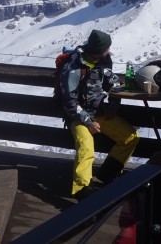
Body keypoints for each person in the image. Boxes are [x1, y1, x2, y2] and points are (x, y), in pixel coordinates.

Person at [60, 29, 139, 200]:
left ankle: (108, 173)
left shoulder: (103, 61)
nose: (109, 51)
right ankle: (81, 189)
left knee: (130, 137)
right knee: (86, 145)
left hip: (100, 113)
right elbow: (69, 102)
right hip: (78, 118)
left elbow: (113, 82)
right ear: (97, 50)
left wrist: (113, 106)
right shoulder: (74, 67)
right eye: (106, 49)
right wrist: (88, 122)